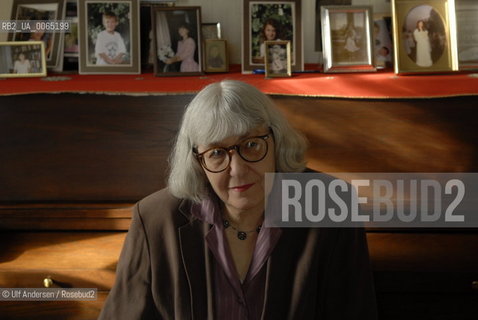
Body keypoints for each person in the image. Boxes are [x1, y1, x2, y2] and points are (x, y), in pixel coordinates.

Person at [98, 80, 378, 319]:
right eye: (217, 153)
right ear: (198, 162)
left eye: (251, 145)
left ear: (276, 141)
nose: (238, 169)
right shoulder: (154, 220)